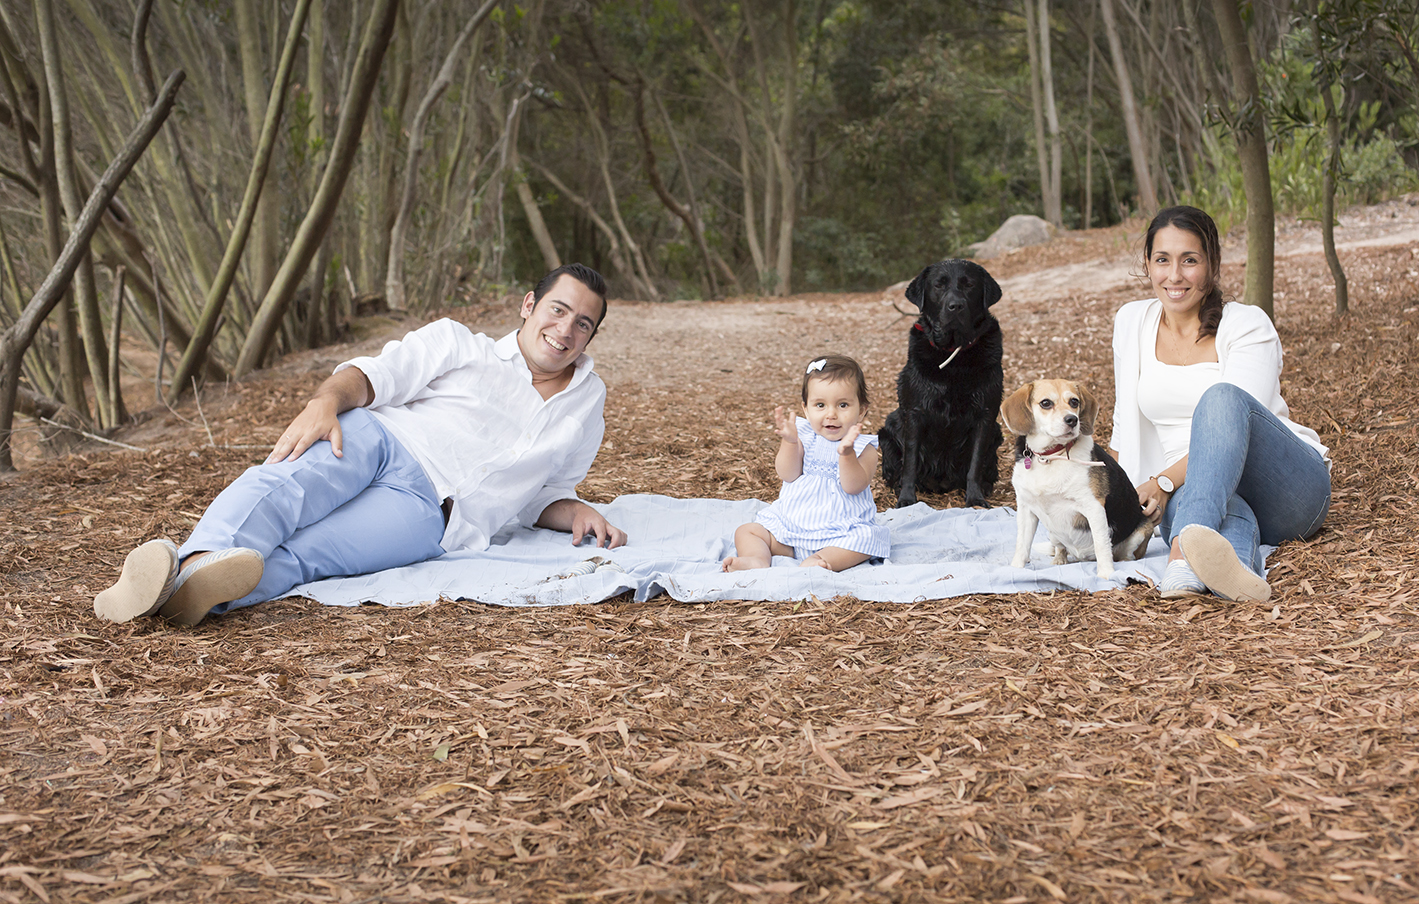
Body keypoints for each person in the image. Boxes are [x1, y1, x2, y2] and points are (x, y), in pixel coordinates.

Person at [94, 263, 627, 627]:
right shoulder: (459, 343)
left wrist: (575, 509)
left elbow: (545, 494)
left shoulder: (585, 407)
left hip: (433, 517)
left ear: (591, 336)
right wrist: (325, 403)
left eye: (583, 323)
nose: (565, 329)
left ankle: (183, 593)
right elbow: (376, 375)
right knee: (283, 489)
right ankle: (196, 562)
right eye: (557, 310)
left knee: (309, 557)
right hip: (381, 440)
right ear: (529, 305)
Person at [1110, 206, 1331, 601]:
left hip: (1285, 487)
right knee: (1204, 510)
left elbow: (1237, 422)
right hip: (1200, 495)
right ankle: (1238, 576)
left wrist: (1162, 482)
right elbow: (1124, 430)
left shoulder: (1247, 324)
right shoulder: (1131, 322)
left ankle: (1180, 556)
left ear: (1212, 265)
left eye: (1189, 260)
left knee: (1222, 398)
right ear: (1147, 264)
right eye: (1162, 260)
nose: (1174, 276)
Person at [721, 355, 890, 573]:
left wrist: (846, 453)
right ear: (806, 409)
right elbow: (787, 473)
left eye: (843, 405)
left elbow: (853, 486)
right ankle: (756, 559)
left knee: (868, 539)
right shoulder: (803, 436)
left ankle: (822, 559)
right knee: (747, 531)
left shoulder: (863, 447)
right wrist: (789, 442)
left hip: (839, 535)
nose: (831, 414)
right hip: (790, 531)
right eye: (820, 405)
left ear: (862, 410)